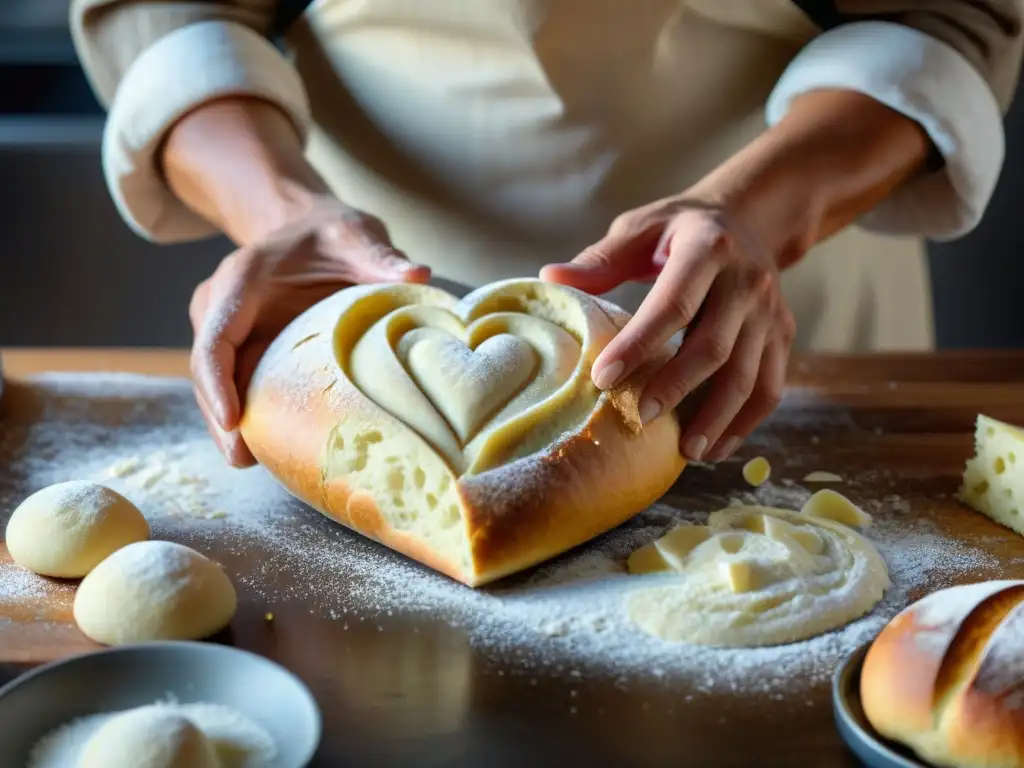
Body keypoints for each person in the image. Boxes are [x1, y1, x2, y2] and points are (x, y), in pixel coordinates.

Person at [71, 1, 1022, 468]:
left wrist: (759, 217)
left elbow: (943, 17)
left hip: (757, 307)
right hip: (358, 299)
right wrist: (286, 214)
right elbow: (168, 15)